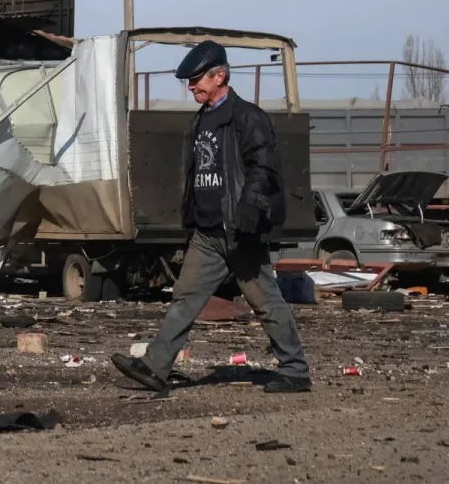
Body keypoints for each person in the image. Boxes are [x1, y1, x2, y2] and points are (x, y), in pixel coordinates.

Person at [111, 40, 310, 394]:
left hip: (239, 231)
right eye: (188, 81)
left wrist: (252, 205)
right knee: (185, 297)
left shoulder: (248, 117)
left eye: (196, 80)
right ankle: (155, 367)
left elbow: (263, 165)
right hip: (207, 233)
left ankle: (295, 370)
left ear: (220, 76)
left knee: (265, 301)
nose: (191, 86)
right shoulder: (199, 120)